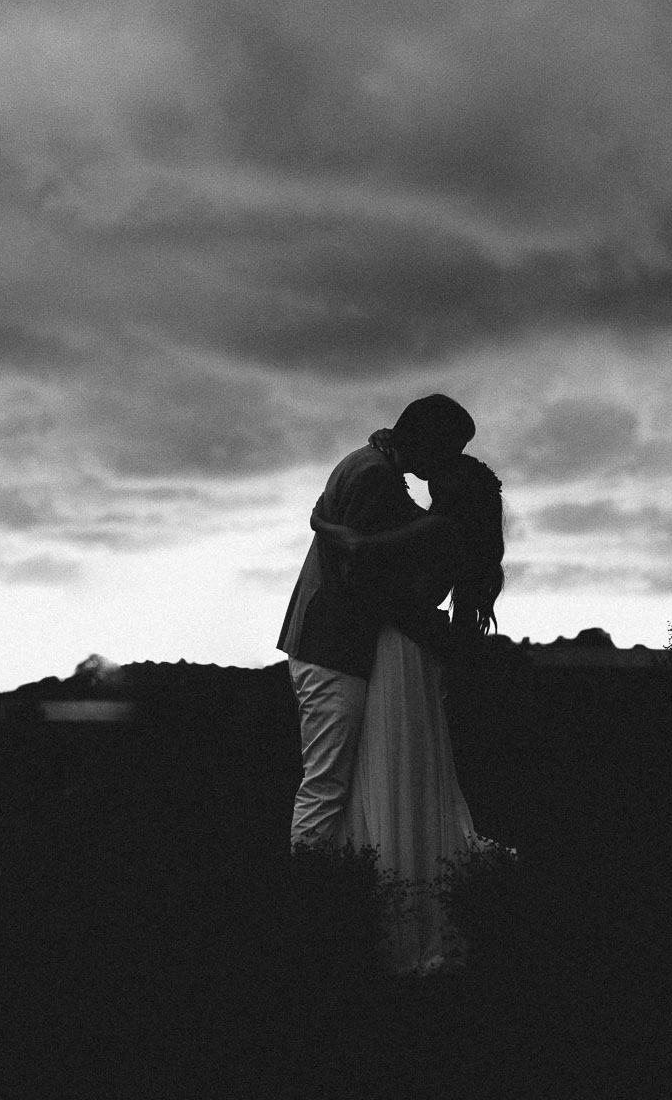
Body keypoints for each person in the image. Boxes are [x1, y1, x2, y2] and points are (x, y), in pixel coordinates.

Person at [309, 452, 512, 975]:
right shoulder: (456, 535)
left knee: (383, 772)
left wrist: (321, 520)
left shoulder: (437, 529)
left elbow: (363, 555)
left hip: (396, 651)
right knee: (411, 778)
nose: (429, 480)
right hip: (415, 655)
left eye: (439, 478)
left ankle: (370, 914)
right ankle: (410, 904)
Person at [278, 394, 476, 852]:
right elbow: (364, 572)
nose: (455, 458)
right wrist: (431, 629)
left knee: (332, 782)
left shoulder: (372, 464)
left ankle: (330, 888)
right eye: (453, 446)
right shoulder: (375, 476)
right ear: (429, 441)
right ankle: (310, 891)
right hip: (330, 647)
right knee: (325, 784)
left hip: (331, 645)